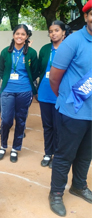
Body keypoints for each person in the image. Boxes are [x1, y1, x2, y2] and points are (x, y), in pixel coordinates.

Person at [48, 1, 92, 216]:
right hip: (72, 111)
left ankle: (79, 186)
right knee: (65, 154)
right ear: (86, 17)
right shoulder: (73, 41)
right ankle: (56, 193)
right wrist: (65, 99)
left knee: (86, 154)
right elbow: (54, 77)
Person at [0, 24, 39, 163]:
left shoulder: (31, 53)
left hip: (24, 91)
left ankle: (15, 148)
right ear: (13, 35)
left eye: (23, 34)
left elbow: (35, 71)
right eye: (17, 33)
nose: (20, 36)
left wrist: (28, 84)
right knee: (6, 120)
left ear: (27, 37)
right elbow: (1, 70)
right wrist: (8, 81)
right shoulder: (5, 52)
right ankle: (3, 146)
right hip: (8, 90)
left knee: (21, 121)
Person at [38, 21, 66, 168]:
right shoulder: (44, 50)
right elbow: (39, 69)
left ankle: (57, 155)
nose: (53, 33)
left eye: (56, 30)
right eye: (51, 31)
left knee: (59, 127)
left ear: (63, 32)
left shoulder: (68, 49)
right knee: (47, 126)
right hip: (44, 93)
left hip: (61, 95)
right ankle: (48, 153)